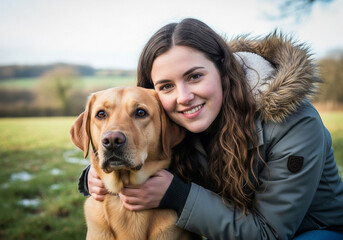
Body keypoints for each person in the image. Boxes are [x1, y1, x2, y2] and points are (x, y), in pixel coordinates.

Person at [78, 18, 343, 239]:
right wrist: (97, 171)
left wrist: (178, 197)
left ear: (223, 69)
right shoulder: (174, 121)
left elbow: (270, 232)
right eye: (166, 86)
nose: (183, 97)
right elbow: (135, 140)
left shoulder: (294, 124)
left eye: (195, 76)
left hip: (312, 231)